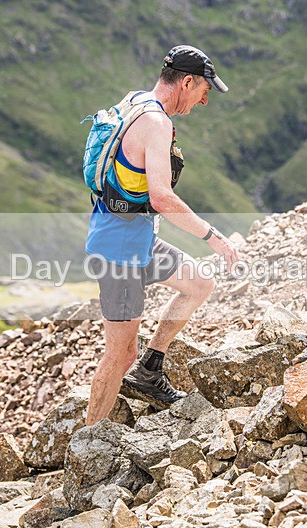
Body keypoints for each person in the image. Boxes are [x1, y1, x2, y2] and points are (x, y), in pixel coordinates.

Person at [85, 45, 239, 424]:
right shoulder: (156, 123)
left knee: (199, 283)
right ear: (186, 83)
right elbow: (162, 198)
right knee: (120, 354)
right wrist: (213, 238)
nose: (204, 101)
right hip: (119, 252)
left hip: (136, 239)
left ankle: (150, 369)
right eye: (204, 91)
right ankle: (87, 440)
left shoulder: (136, 101)